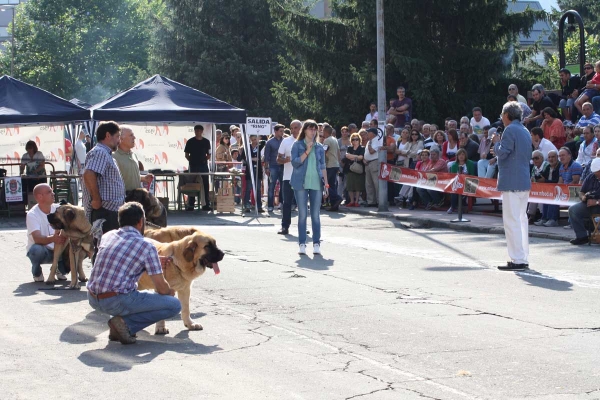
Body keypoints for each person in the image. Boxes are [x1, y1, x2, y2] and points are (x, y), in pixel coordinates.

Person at [87, 202, 180, 345]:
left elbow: (119, 261)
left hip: (93, 298)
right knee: (173, 305)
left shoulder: (108, 235)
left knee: (129, 288)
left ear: (120, 220)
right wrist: (170, 291)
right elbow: (161, 288)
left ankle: (119, 325)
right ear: (141, 221)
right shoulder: (146, 246)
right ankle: (126, 325)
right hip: (115, 300)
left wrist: (151, 262)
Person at [493, 101, 532, 271]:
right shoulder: (525, 130)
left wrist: (496, 142)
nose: (501, 118)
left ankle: (517, 259)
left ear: (507, 115)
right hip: (523, 180)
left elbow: (502, 152)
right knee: (521, 220)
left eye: (502, 115)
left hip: (511, 181)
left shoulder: (510, 130)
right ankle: (522, 257)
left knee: (512, 221)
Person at [82, 121, 125, 262]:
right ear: (108, 135)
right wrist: (96, 199)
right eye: (117, 136)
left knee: (109, 250)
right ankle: (99, 282)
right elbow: (89, 173)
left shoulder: (105, 153)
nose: (119, 140)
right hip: (104, 211)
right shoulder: (100, 152)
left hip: (109, 210)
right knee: (104, 250)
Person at [290, 120, 328, 255]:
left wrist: (327, 183)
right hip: (300, 183)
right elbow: (295, 163)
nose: (313, 131)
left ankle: (316, 243)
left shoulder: (319, 147)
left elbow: (323, 166)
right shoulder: (297, 145)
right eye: (311, 129)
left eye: (315, 129)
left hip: (316, 182)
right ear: (304, 130)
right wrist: (307, 151)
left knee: (316, 215)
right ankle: (302, 243)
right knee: (302, 214)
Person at [26, 184, 68, 282]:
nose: (53, 194)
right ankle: (37, 272)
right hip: (44, 252)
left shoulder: (60, 209)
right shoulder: (32, 214)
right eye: (49, 192)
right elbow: (37, 238)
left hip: (60, 249)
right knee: (35, 250)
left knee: (81, 248)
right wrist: (53, 238)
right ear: (40, 196)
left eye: (52, 191)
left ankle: (59, 269)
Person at [277, 120, 301, 235]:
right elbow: (278, 159)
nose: (293, 130)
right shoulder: (286, 141)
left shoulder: (305, 141)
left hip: (302, 177)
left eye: (296, 127)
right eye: (291, 128)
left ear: (301, 128)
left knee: (302, 203)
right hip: (288, 177)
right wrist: (285, 160)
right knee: (287, 203)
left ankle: (303, 226)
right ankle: (284, 226)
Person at [112, 126, 153, 195]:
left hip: (136, 197)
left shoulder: (133, 155)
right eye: (131, 135)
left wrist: (143, 178)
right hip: (123, 199)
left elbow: (129, 175)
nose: (134, 137)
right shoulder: (113, 156)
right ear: (121, 138)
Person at [568, 158, 600, 245]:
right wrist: (583, 197)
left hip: (598, 204)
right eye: (596, 174)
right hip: (589, 204)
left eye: (598, 173)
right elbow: (581, 191)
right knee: (573, 209)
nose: (597, 176)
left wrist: (596, 202)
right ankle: (581, 236)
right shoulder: (590, 177)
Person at [184, 125, 211, 211]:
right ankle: (191, 204)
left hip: (203, 166)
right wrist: (192, 161)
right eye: (196, 130)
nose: (198, 132)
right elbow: (186, 154)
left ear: (202, 131)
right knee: (192, 185)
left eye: (199, 130)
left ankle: (206, 204)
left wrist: (203, 160)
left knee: (205, 184)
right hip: (193, 166)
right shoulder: (190, 141)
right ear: (194, 131)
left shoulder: (206, 142)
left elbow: (209, 154)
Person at [533, 150, 561, 227]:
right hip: (549, 189)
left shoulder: (559, 166)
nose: (551, 159)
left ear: (557, 157)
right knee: (545, 196)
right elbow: (543, 176)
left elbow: (557, 181)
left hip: (558, 189)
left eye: (553, 157)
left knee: (553, 196)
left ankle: (553, 219)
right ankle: (544, 218)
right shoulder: (548, 167)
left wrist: (545, 180)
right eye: (549, 157)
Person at [239, 135, 265, 213]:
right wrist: (251, 159)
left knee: (258, 189)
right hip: (249, 169)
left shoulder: (261, 146)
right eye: (252, 139)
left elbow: (265, 142)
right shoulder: (247, 147)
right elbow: (242, 157)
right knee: (248, 188)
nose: (254, 141)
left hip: (258, 169)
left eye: (255, 139)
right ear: (250, 139)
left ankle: (259, 205)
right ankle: (247, 204)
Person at [264, 124, 285, 212]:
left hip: (283, 166)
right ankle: (270, 205)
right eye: (280, 131)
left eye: (283, 131)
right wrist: (266, 168)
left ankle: (281, 203)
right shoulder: (269, 142)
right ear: (275, 131)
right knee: (271, 186)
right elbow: (266, 156)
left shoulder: (285, 141)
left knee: (283, 186)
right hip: (273, 166)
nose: (282, 132)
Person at [448, 148, 476, 214]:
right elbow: (453, 177)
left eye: (463, 154)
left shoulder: (470, 163)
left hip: (468, 182)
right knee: (454, 190)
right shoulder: (454, 165)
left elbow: (472, 175)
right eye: (459, 155)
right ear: (457, 156)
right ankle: (453, 206)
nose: (461, 156)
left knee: (464, 191)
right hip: (457, 183)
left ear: (465, 156)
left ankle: (462, 206)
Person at [322, 124, 343, 211]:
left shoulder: (327, 140)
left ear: (325, 132)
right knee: (332, 185)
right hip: (335, 164)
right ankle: (335, 205)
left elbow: (323, 152)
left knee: (326, 184)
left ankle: (337, 198)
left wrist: (321, 162)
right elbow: (338, 152)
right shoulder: (335, 139)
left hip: (329, 165)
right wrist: (339, 163)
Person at [527, 150, 550, 225]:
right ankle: (531, 215)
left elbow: (543, 179)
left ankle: (542, 216)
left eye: (536, 158)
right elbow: (533, 179)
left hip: (547, 188)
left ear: (542, 158)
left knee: (539, 196)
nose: (534, 160)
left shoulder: (546, 165)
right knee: (534, 196)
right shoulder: (534, 167)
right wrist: (537, 179)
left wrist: (536, 179)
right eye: (533, 159)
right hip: (538, 188)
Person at [363, 127, 383, 207]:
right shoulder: (369, 141)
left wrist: (370, 145)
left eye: (369, 132)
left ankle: (379, 201)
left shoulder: (378, 140)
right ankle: (371, 201)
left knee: (376, 183)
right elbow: (366, 153)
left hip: (375, 162)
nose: (367, 133)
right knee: (368, 184)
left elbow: (372, 151)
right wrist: (364, 160)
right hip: (367, 163)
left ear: (373, 133)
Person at [344, 132, 365, 207]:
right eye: (353, 139)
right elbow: (347, 156)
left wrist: (352, 156)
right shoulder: (349, 148)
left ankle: (356, 201)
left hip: (358, 169)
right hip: (349, 169)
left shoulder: (362, 148)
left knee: (357, 186)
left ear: (359, 140)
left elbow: (361, 157)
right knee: (350, 186)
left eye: (356, 139)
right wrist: (356, 156)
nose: (355, 141)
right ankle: (352, 201)